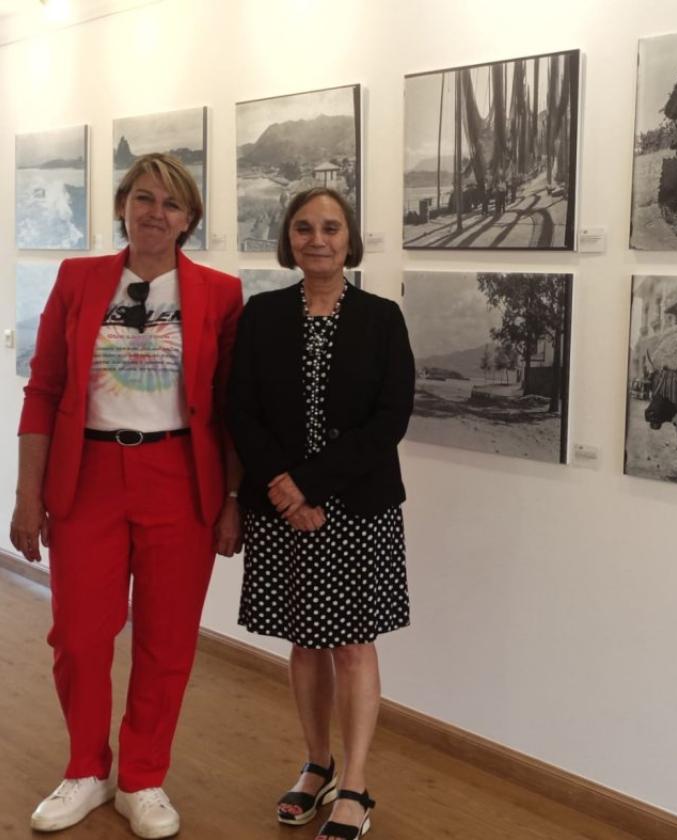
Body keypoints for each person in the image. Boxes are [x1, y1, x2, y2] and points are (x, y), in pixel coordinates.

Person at [9, 153, 243, 838]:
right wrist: (28, 494)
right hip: (89, 480)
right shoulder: (79, 280)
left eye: (171, 205)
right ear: (121, 206)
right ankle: (87, 768)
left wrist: (232, 496)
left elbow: (230, 407)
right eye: (143, 198)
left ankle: (142, 777)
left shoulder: (221, 294)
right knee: (79, 636)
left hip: (180, 477)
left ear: (189, 220)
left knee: (167, 642)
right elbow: (44, 389)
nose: (154, 214)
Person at [227, 187, 414, 840]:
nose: (317, 238)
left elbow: (389, 420)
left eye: (331, 227)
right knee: (305, 645)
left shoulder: (382, 319)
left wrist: (305, 486)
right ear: (289, 239)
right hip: (282, 509)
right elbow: (240, 409)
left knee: (354, 648)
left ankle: (356, 785)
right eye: (303, 227)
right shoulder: (261, 314)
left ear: (349, 238)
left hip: (356, 509)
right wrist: (283, 490)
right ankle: (317, 765)